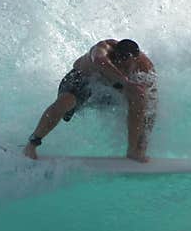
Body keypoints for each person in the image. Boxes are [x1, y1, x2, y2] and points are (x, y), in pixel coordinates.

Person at [23, 39, 157, 162]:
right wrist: (126, 82)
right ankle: (32, 144)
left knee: (140, 98)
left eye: (127, 65)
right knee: (65, 102)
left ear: (136, 59)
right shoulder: (103, 49)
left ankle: (133, 151)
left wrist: (143, 142)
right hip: (82, 82)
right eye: (119, 61)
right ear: (114, 54)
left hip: (108, 93)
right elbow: (99, 60)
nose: (122, 66)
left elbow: (151, 109)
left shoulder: (145, 67)